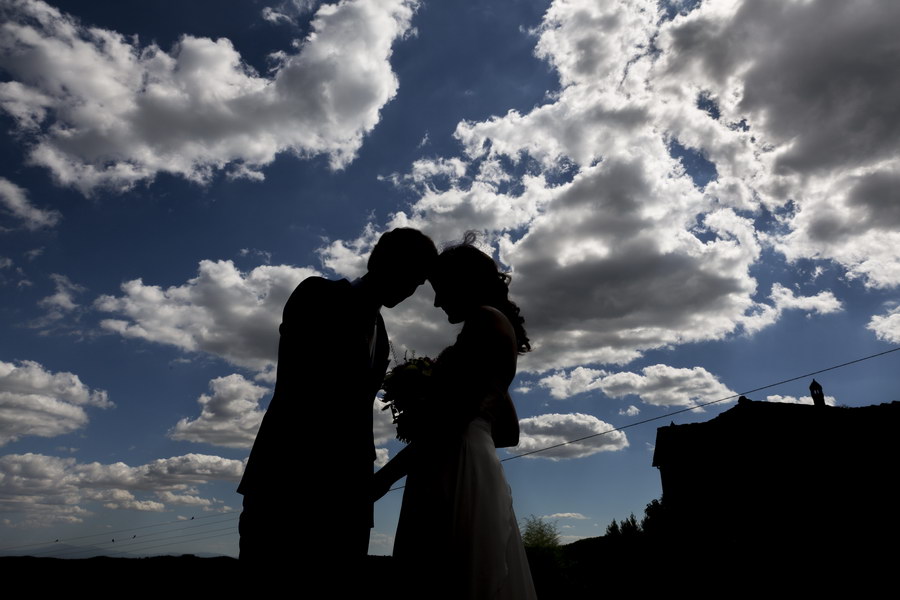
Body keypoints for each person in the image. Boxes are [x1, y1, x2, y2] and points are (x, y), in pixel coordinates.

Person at [237, 228, 437, 582]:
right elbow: (303, 385)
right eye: (409, 274)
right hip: (288, 478)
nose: (410, 289)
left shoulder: (382, 328)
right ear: (379, 261)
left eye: (419, 282)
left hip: (351, 489)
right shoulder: (318, 294)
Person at [373, 234, 537, 599]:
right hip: (474, 461)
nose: (436, 301)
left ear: (464, 282)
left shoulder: (482, 322)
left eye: (440, 287)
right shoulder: (497, 328)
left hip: (452, 465)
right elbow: (508, 431)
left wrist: (382, 479)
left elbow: (449, 425)